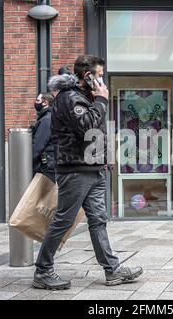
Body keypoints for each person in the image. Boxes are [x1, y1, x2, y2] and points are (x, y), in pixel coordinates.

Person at [32, 55, 143, 290]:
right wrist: (101, 100)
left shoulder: (83, 97)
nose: (102, 80)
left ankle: (112, 271)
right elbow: (88, 126)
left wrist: (105, 158)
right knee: (63, 220)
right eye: (99, 75)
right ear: (87, 76)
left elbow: (96, 132)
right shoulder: (70, 98)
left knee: (98, 220)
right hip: (75, 171)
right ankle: (42, 271)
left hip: (92, 169)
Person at [32, 93, 55, 183]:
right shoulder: (50, 117)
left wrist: (27, 161)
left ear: (45, 102)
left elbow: (38, 145)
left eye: (38, 100)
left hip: (46, 167)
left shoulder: (46, 119)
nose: (36, 103)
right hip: (49, 165)